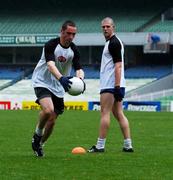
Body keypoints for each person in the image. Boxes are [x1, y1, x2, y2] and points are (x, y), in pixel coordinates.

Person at [31, 20, 84, 157]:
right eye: (68, 33)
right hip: (42, 81)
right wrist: (61, 78)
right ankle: (37, 134)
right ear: (62, 31)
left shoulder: (74, 50)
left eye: (74, 34)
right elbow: (50, 65)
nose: (71, 37)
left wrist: (81, 80)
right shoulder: (51, 45)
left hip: (59, 86)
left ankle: (40, 144)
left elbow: (79, 69)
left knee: (52, 120)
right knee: (48, 110)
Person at [88, 17, 133, 153]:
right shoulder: (112, 42)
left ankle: (100, 145)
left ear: (113, 27)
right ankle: (128, 144)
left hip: (111, 84)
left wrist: (117, 86)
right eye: (103, 27)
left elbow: (118, 66)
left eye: (108, 26)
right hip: (116, 84)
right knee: (118, 113)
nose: (105, 29)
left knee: (105, 113)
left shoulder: (113, 43)